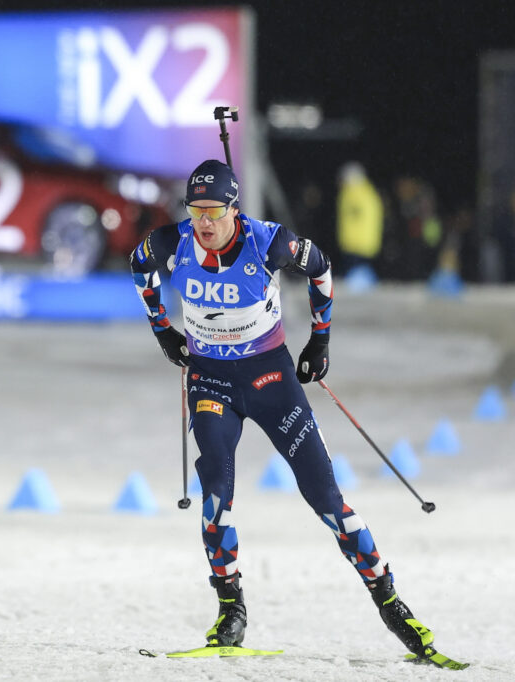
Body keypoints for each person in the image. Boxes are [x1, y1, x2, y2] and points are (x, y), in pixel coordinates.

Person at [130, 160, 452, 662]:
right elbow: (138, 264)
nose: (204, 223)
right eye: (196, 212)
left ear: (234, 208)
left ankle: (390, 602)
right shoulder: (172, 242)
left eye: (214, 211)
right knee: (215, 489)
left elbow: (320, 268)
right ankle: (230, 608)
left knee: (326, 499)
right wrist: (162, 328)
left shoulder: (267, 242)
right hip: (211, 378)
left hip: (271, 379)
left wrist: (319, 341)